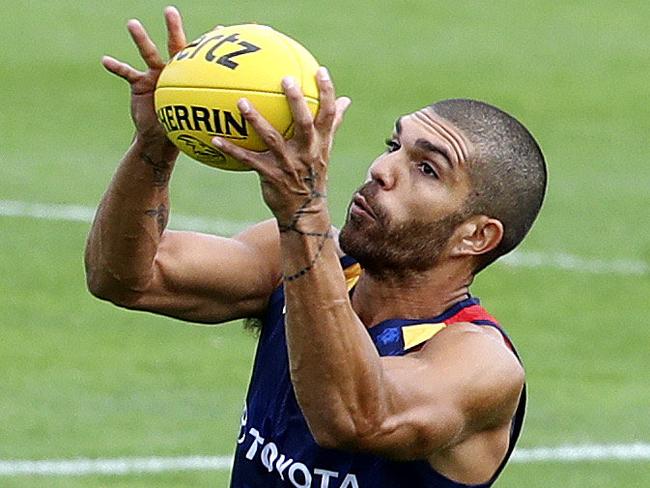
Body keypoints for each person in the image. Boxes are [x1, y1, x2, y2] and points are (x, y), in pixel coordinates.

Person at [85, 6, 546, 487]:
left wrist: (303, 215)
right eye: (393, 146)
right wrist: (155, 146)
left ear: (477, 236)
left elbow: (354, 418)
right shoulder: (300, 262)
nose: (382, 170)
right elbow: (124, 277)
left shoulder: (479, 364)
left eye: (426, 169)